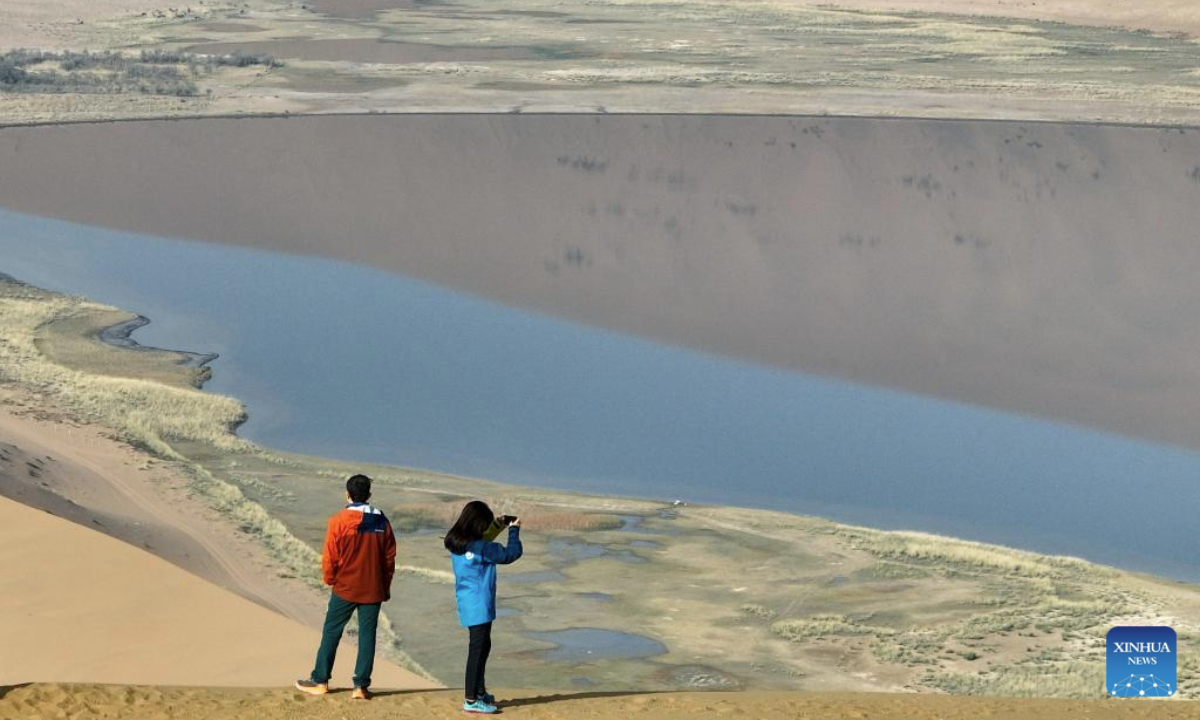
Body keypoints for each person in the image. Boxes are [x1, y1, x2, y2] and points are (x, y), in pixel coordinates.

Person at [295, 474, 396, 700]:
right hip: (373, 588)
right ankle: (360, 686)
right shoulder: (382, 522)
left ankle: (320, 680)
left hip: (345, 586)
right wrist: (385, 586)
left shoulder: (338, 521)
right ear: (369, 495)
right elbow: (389, 559)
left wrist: (330, 579)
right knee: (368, 636)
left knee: (332, 631)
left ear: (347, 494)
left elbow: (329, 557)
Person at [444, 501, 523, 714]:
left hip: (468, 601)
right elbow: (510, 554)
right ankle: (471, 700)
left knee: (483, 646)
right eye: (485, 525)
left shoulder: (457, 542)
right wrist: (514, 530)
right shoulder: (480, 548)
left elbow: (483, 542)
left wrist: (498, 524)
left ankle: (479, 692)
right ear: (477, 525)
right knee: (477, 651)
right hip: (480, 604)